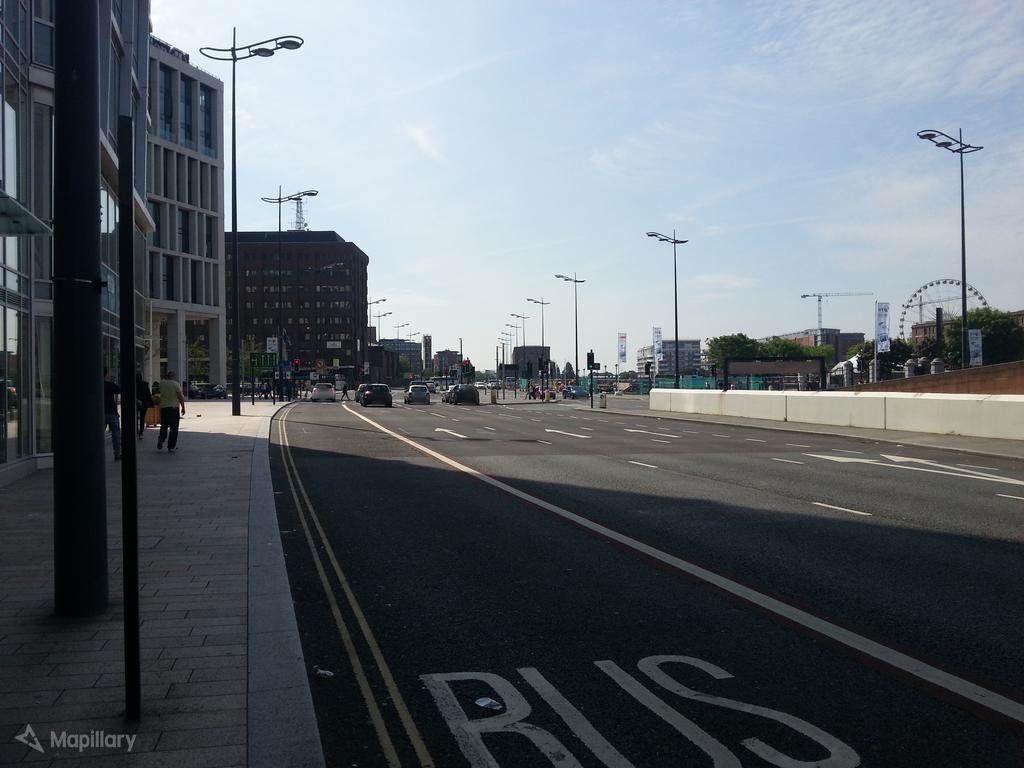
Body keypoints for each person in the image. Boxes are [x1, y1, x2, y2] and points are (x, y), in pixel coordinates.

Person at [157, 370, 186, 452]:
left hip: (164, 407)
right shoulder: (176, 384)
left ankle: (161, 438)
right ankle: (171, 446)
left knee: (164, 425)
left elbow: (159, 391)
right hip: (174, 408)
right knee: (174, 428)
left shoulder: (162, 383)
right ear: (173, 377)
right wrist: (183, 407)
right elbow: (180, 396)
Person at [103, 368, 122, 461]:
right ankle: (117, 454)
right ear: (106, 374)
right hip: (112, 412)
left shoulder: (94, 384)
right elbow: (119, 390)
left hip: (100, 413)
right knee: (116, 434)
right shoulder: (110, 384)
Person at [136, 372, 154, 438]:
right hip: (144, 403)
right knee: (142, 418)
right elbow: (148, 395)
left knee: (135, 418)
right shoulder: (145, 385)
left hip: (136, 403)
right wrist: (151, 403)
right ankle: (141, 432)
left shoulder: (133, 384)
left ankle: (136, 431)